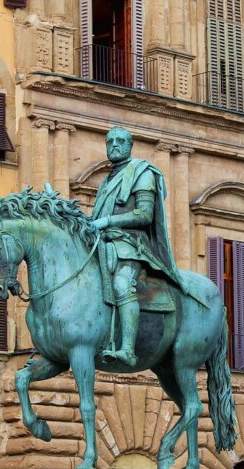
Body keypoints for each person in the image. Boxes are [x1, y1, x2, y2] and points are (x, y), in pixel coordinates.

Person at [91, 126, 188, 367]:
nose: (114, 145)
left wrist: (108, 221)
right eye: (110, 141)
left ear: (129, 146)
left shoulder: (143, 173)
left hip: (131, 245)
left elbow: (144, 214)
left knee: (122, 284)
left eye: (120, 141)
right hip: (102, 243)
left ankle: (127, 350)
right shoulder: (106, 180)